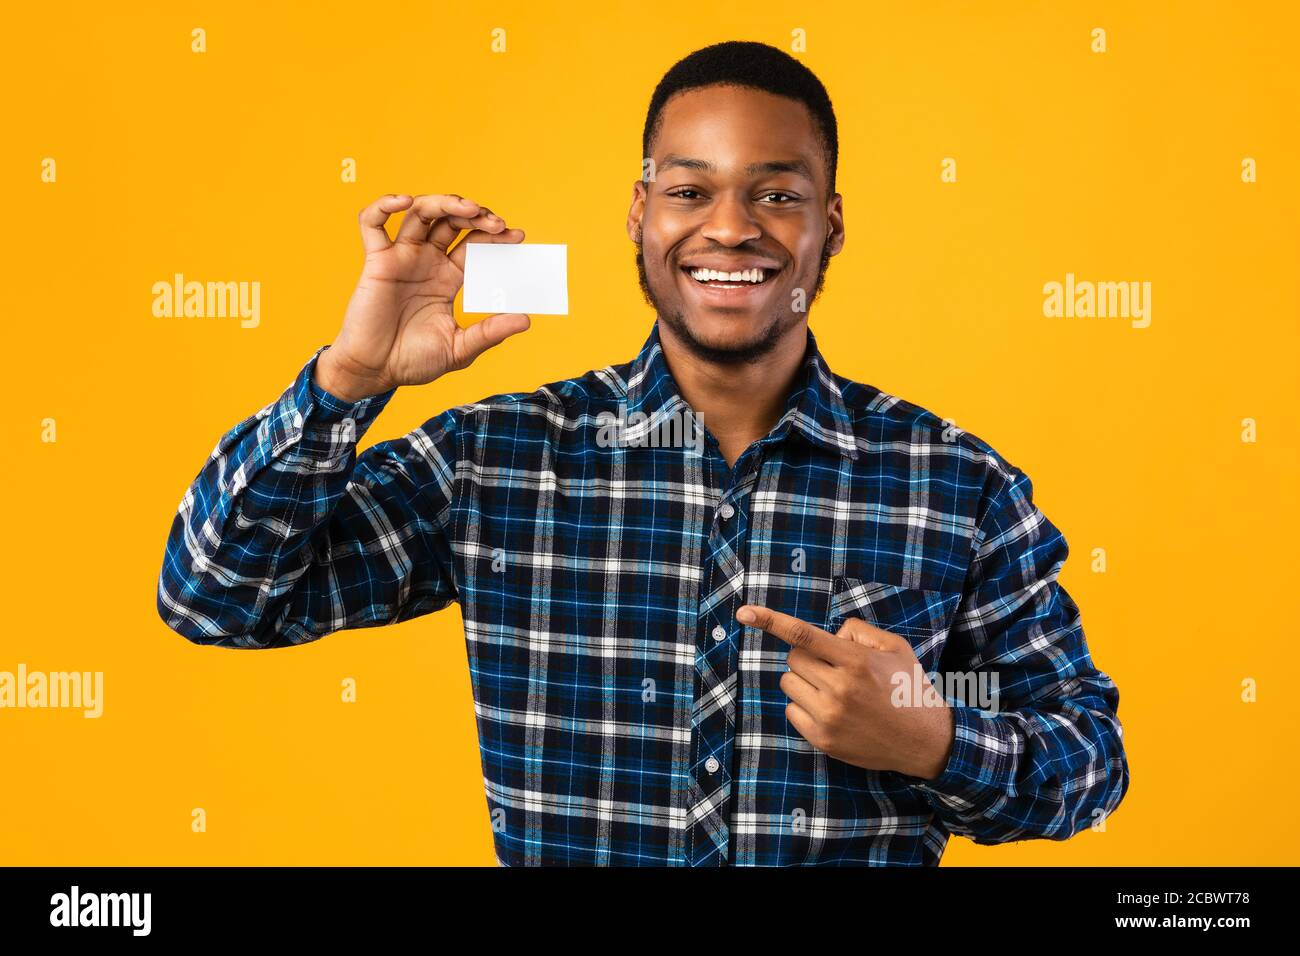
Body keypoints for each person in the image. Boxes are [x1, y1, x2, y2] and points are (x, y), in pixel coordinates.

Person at [157, 40, 1129, 866]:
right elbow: (216, 595)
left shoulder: (954, 487)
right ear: (639, 213)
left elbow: (1088, 757)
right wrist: (348, 380)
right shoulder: (499, 458)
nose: (730, 226)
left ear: (829, 221)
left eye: (777, 192)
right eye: (689, 189)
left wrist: (932, 736)